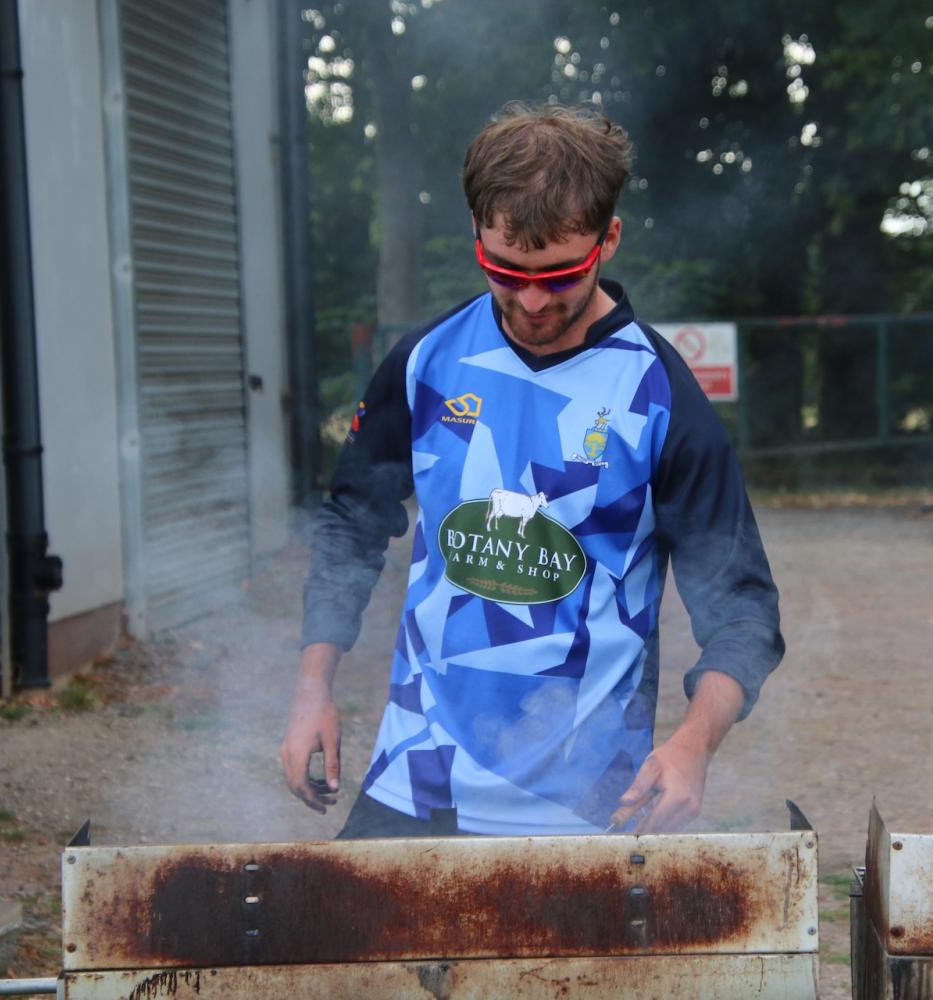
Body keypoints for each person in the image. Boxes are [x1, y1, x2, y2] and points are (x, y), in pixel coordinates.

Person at [280, 102, 783, 838]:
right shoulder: (425, 362)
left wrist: (692, 743)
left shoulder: (660, 396)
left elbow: (743, 609)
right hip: (416, 782)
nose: (532, 300)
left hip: (587, 811)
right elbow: (353, 522)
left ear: (608, 238)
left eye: (560, 275)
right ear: (478, 235)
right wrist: (311, 685)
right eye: (505, 272)